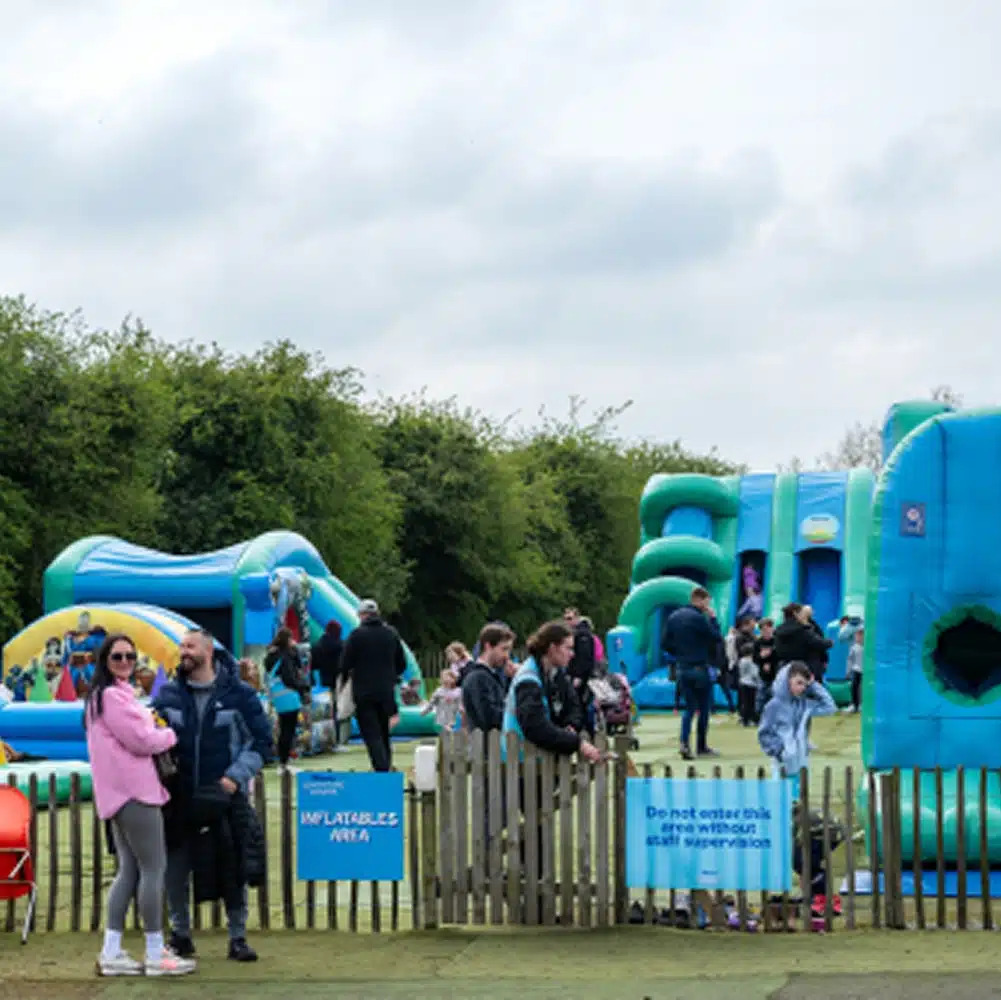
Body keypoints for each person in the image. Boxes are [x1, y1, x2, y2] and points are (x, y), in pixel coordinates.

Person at [154, 629, 273, 963]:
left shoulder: (241, 696)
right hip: (178, 797)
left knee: (232, 866)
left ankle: (238, 938)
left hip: (223, 796)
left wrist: (234, 778)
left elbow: (262, 743)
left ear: (209, 651)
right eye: (181, 647)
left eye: (190, 646)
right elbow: (149, 733)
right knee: (175, 870)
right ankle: (180, 935)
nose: (184, 652)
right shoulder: (168, 695)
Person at [85, 633, 194, 977]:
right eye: (117, 656)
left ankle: (112, 950)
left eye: (130, 656)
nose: (125, 661)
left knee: (129, 871)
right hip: (135, 792)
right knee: (153, 868)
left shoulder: (101, 698)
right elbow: (141, 741)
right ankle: (153, 951)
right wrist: (171, 735)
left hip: (118, 794)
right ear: (105, 660)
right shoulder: (114, 698)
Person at [339, 599, 406, 772]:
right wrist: (390, 675)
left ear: (362, 615)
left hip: (364, 692)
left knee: (371, 733)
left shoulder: (356, 635)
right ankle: (386, 765)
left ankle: (381, 769)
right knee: (384, 732)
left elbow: (344, 664)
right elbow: (402, 663)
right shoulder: (391, 634)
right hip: (386, 691)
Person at [663, 586, 723, 760]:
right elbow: (716, 637)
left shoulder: (673, 617)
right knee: (703, 708)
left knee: (689, 709)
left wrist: (680, 653)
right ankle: (701, 746)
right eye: (707, 601)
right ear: (700, 599)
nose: (707, 605)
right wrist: (713, 619)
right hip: (698, 666)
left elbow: (665, 643)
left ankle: (684, 742)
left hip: (682, 666)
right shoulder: (699, 618)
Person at [757, 662, 836, 792]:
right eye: (799, 683)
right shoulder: (774, 706)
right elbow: (764, 733)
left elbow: (830, 707)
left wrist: (814, 685)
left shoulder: (804, 704)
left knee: (800, 798)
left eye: (805, 684)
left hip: (801, 761)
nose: (802, 688)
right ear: (786, 680)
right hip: (782, 762)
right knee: (781, 796)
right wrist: (779, 751)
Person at [264, 628, 311, 767]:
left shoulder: (271, 656)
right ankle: (284, 760)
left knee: (283, 727)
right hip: (289, 695)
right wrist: (303, 686)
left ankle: (283, 759)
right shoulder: (285, 656)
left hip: (278, 697)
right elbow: (290, 677)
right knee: (288, 729)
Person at [462, 623, 516, 733]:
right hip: (486, 746)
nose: (507, 656)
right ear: (488, 646)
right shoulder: (478, 678)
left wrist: (514, 680)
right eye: (504, 649)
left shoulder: (491, 676)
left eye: (509, 650)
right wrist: (519, 716)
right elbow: (489, 718)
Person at [774, 603, 833, 679]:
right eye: (802, 613)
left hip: (786, 670)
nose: (803, 615)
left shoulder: (778, 631)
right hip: (806, 671)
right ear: (795, 613)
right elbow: (819, 643)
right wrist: (830, 642)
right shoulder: (802, 630)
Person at [753, 617, 779, 714]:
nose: (767, 632)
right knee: (760, 696)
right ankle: (759, 716)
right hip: (762, 674)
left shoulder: (776, 641)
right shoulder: (758, 643)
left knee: (774, 696)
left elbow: (780, 656)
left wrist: (771, 659)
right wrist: (761, 657)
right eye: (764, 630)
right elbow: (754, 658)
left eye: (769, 629)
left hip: (775, 673)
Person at [736, 640, 761, 727]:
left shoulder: (741, 661)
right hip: (751, 684)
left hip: (743, 682)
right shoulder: (751, 661)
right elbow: (755, 673)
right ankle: (753, 719)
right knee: (751, 703)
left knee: (745, 702)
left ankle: (745, 719)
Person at [847, 627, 864, 713]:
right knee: (854, 687)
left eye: (860, 635)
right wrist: (848, 671)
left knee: (863, 687)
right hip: (856, 670)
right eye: (857, 635)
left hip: (865, 671)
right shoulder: (854, 647)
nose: (858, 637)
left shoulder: (867, 647)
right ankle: (854, 704)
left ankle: (862, 704)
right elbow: (850, 659)